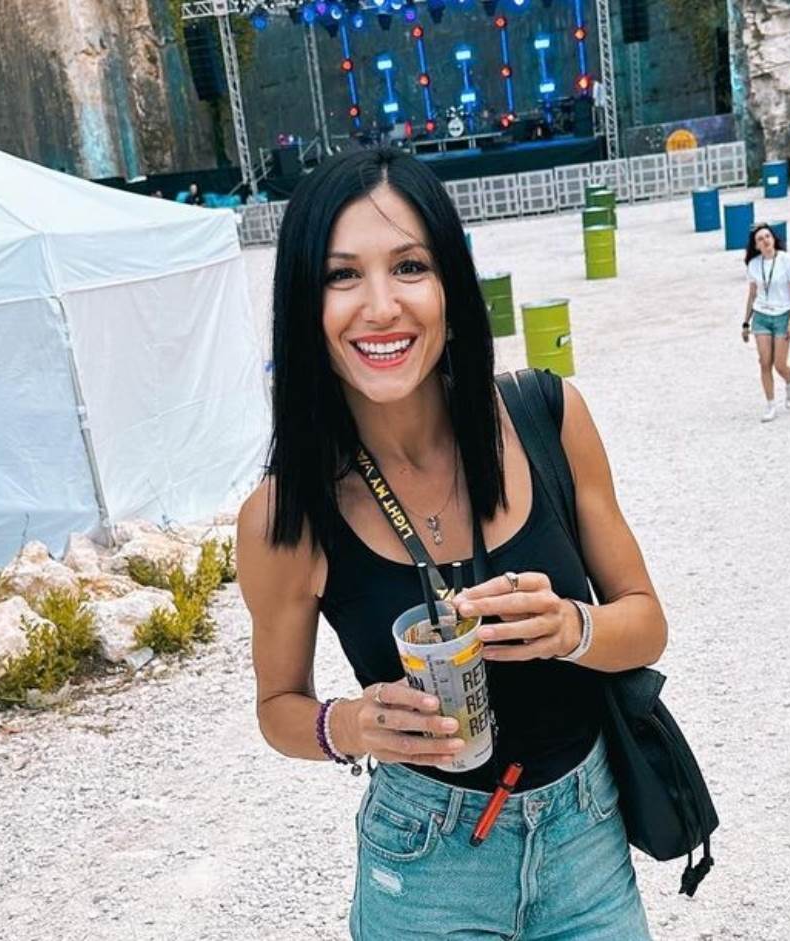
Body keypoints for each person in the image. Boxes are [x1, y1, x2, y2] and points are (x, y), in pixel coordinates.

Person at [235, 147, 667, 940]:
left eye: (410, 266)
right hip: (425, 862)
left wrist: (572, 627)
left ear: (450, 285)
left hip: (586, 839)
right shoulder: (284, 514)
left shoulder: (547, 418)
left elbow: (646, 623)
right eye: (341, 276)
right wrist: (350, 724)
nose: (380, 306)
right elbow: (277, 708)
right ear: (303, 302)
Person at [742, 223, 790, 422]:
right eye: (760, 239)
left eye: (767, 236)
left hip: (783, 315)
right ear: (756, 245)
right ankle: (770, 405)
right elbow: (752, 295)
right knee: (764, 362)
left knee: (779, 364)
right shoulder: (753, 265)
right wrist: (745, 323)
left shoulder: (787, 261)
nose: (765, 241)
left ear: (774, 239)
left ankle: (789, 382)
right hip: (761, 316)